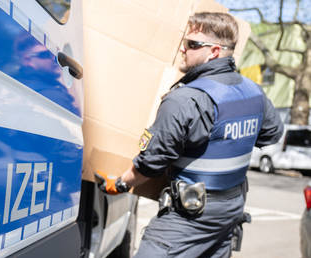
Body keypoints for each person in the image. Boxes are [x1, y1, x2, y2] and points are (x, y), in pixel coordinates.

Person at [96, 12, 284, 257]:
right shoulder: (253, 92)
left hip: (190, 217)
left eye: (192, 44)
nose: (183, 49)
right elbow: (272, 133)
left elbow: (153, 161)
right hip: (229, 210)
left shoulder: (186, 99)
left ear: (214, 51)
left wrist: (119, 184)